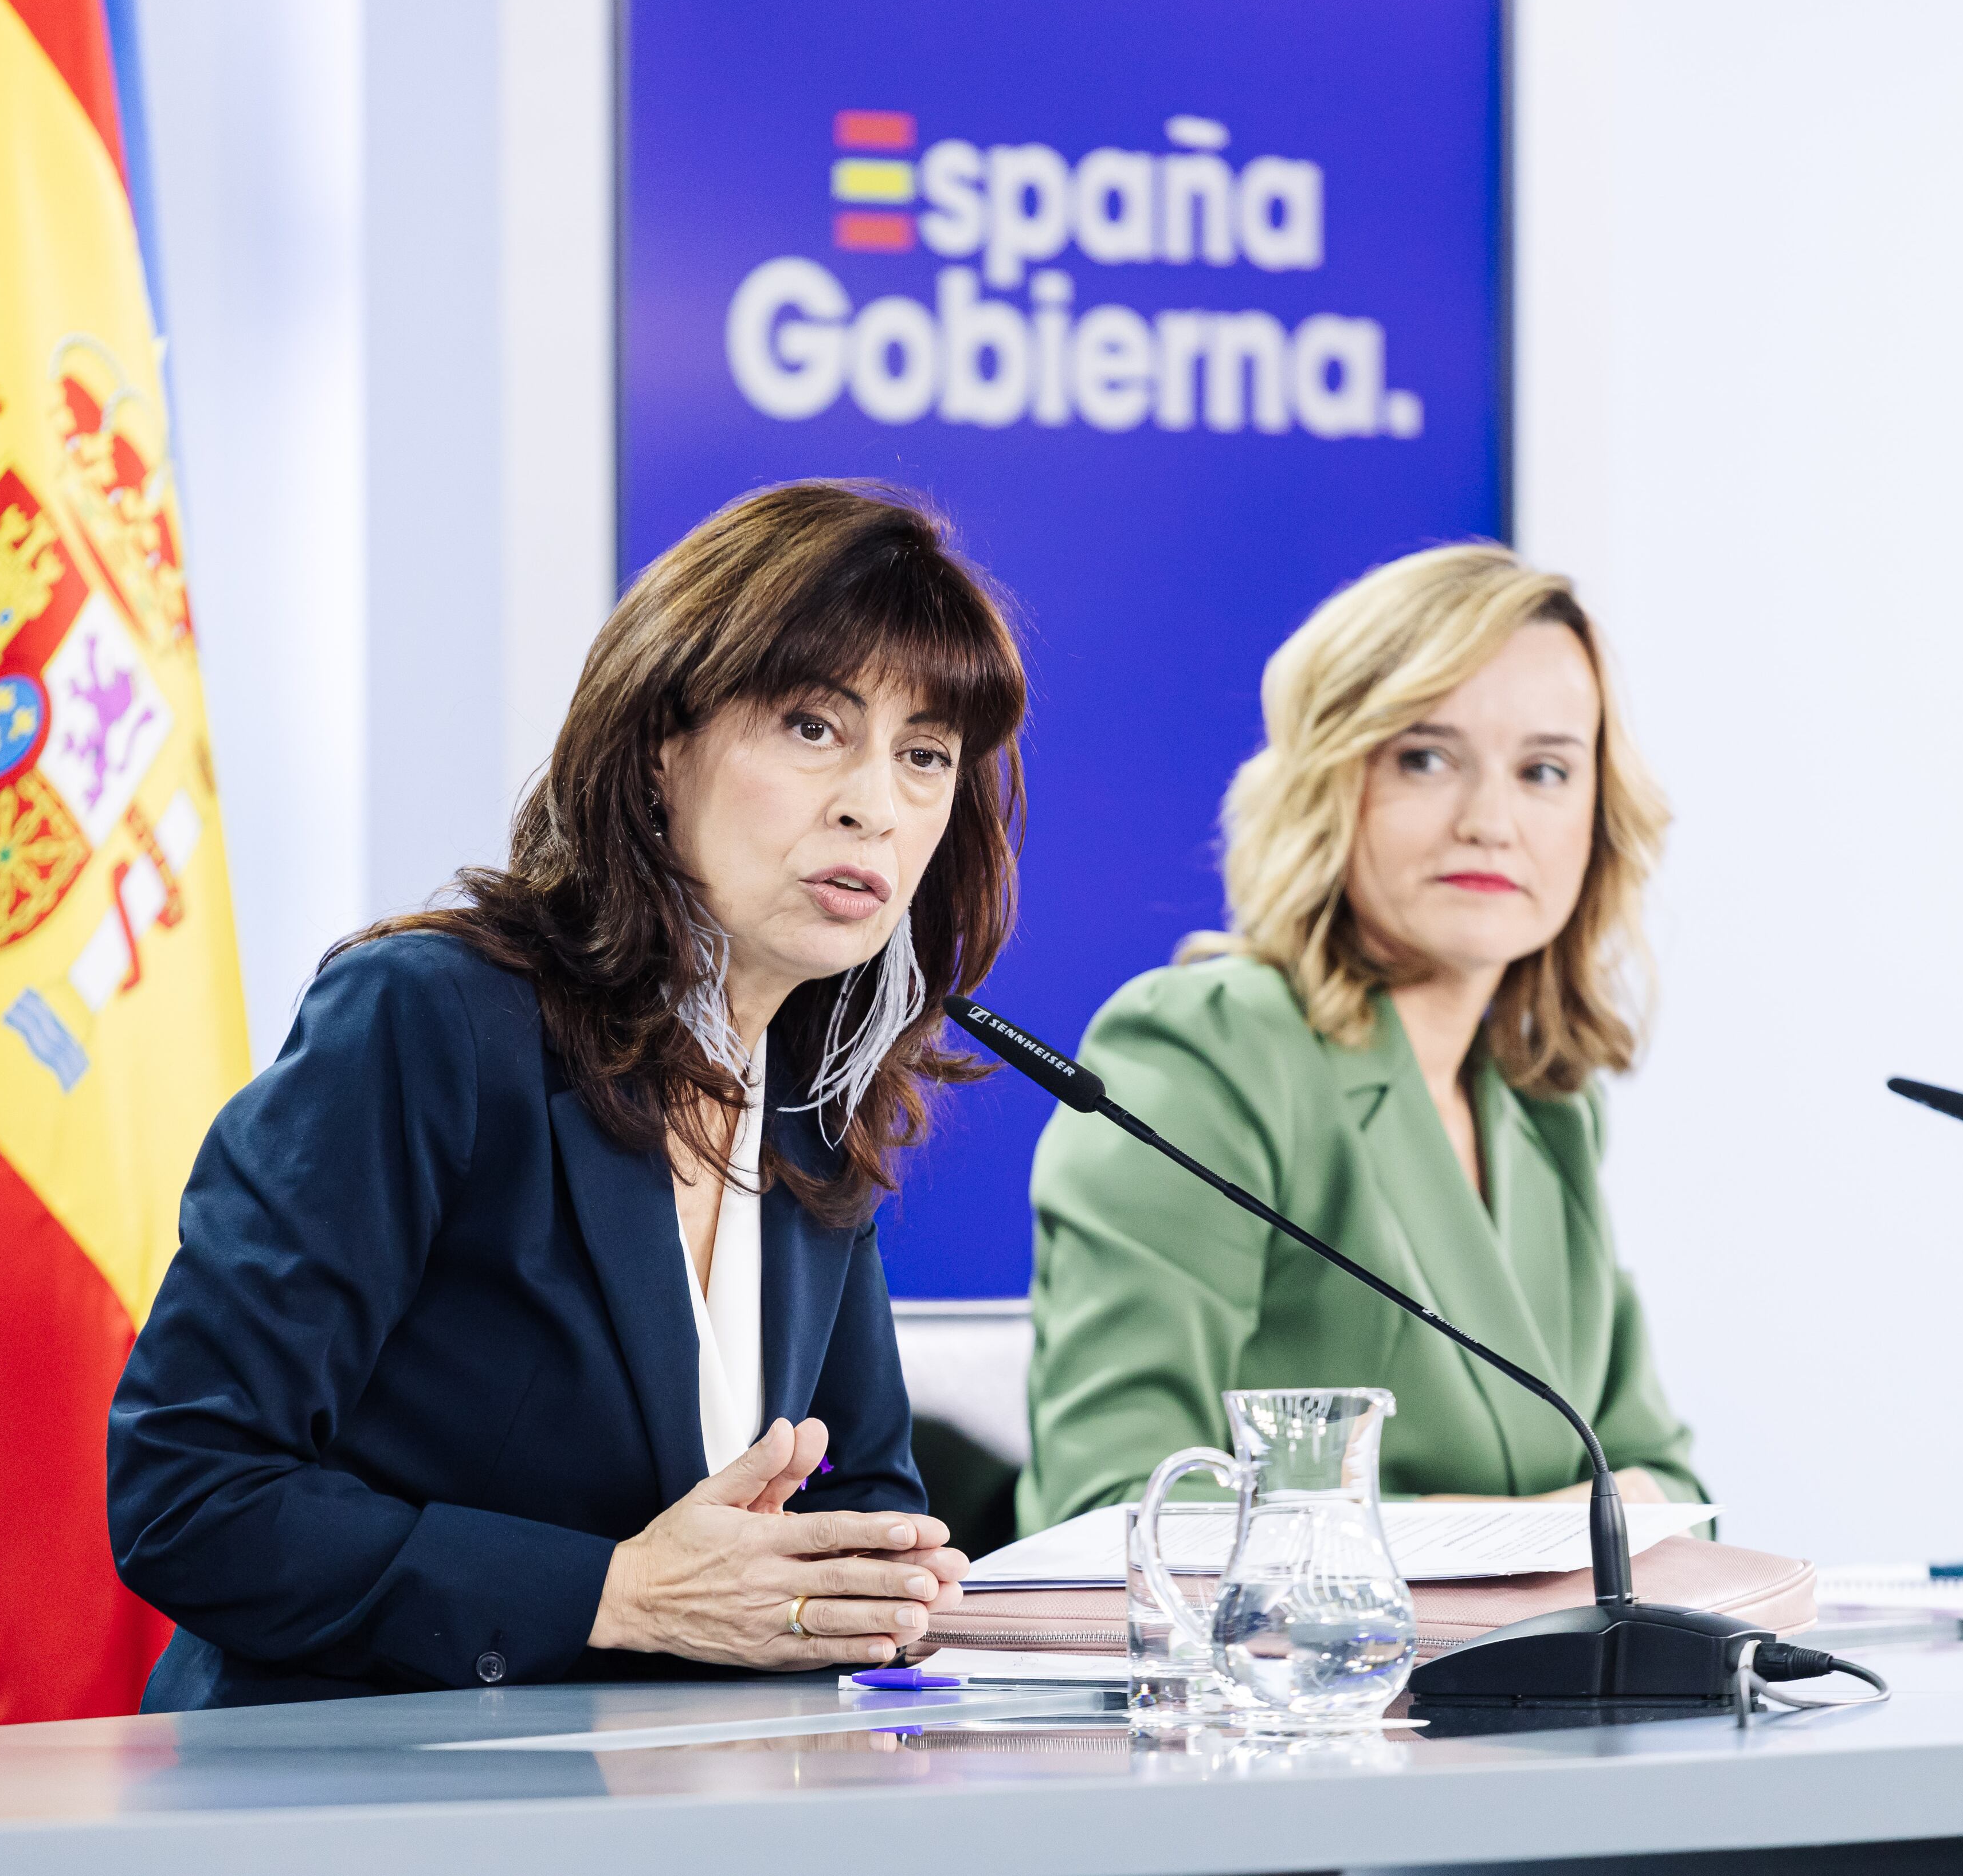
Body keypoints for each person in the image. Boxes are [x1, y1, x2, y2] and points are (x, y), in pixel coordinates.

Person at [108, 481, 1028, 1708]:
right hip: (355, 1791)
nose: (876, 800)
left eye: (925, 756)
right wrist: (617, 1590)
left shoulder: (810, 1091)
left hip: (680, 1799)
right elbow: (190, 1489)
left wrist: (889, 1588)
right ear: (662, 747)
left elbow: (862, 1506)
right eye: (814, 727)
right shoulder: (431, 1020)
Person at [1017, 542, 1702, 1530]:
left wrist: (1573, 1530)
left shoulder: (1544, 1098)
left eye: (1545, 770)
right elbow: (1117, 1509)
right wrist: (1537, 1538)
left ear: (1599, 817)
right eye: (1426, 757)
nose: (1491, 821)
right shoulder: (1209, 1050)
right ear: (1332, 780)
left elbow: (1670, 1490)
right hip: (1281, 1686)